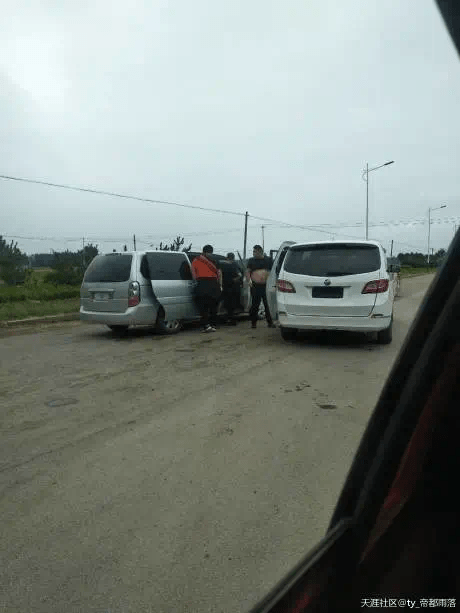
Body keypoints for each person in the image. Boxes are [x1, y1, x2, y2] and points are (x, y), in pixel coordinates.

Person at [191, 244, 222, 332]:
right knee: (211, 306)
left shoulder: (196, 260)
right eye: (209, 252)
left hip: (203, 284)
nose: (210, 254)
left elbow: (193, 273)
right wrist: (220, 285)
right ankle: (211, 325)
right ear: (205, 252)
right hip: (212, 284)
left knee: (205, 306)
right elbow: (219, 274)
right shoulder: (214, 261)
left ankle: (207, 325)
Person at [246, 244, 275, 329]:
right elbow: (247, 271)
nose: (253, 253)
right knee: (255, 305)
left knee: (267, 305)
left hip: (266, 286)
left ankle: (270, 322)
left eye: (255, 251)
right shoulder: (251, 260)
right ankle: (253, 323)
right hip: (255, 286)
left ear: (260, 251)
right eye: (253, 251)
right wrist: (249, 281)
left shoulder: (268, 260)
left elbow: (273, 271)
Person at [220, 252, 242, 325]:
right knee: (233, 304)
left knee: (227, 303)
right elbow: (240, 274)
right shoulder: (235, 264)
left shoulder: (222, 265)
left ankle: (229, 318)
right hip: (234, 287)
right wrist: (235, 280)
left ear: (227, 257)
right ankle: (232, 320)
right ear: (233, 258)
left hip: (225, 286)